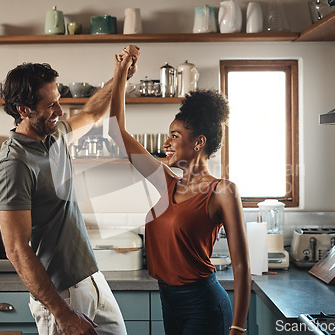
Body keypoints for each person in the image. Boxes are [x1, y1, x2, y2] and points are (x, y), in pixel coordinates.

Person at [0, 45, 140, 335]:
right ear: (24, 110)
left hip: (91, 277)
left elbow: (92, 111)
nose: (60, 111)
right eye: (51, 106)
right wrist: (63, 313)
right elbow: (17, 250)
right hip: (61, 293)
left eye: (58, 101)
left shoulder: (53, 135)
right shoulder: (14, 164)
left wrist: (120, 75)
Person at [109, 47, 251, 335]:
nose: (166, 143)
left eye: (174, 136)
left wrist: (238, 326)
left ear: (199, 142)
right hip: (169, 299)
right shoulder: (166, 180)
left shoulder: (222, 191)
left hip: (204, 304)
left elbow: (241, 263)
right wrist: (121, 74)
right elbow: (116, 135)